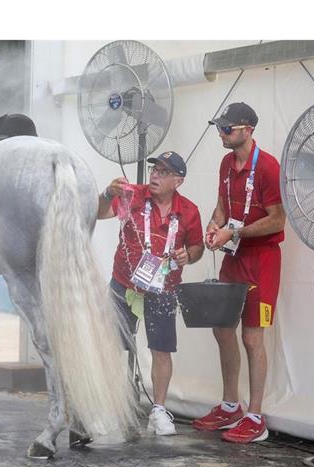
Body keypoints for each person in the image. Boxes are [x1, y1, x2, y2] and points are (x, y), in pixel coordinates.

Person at [194, 102, 285, 444]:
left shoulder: (269, 168)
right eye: (220, 127)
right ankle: (231, 405)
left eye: (227, 128)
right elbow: (222, 202)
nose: (221, 132)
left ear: (247, 130)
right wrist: (214, 223)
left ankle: (256, 416)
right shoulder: (225, 163)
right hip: (233, 257)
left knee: (252, 337)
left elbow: (278, 220)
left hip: (261, 261)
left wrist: (233, 233)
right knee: (221, 329)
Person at [98, 151, 203, 436]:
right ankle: (110, 405)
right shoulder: (132, 195)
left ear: (178, 181)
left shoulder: (190, 211)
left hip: (163, 288)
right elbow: (99, 212)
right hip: (124, 282)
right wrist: (108, 192)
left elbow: (198, 248)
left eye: (164, 172)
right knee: (111, 345)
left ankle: (158, 410)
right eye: (155, 169)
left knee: (162, 349)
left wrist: (187, 256)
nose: (155, 175)